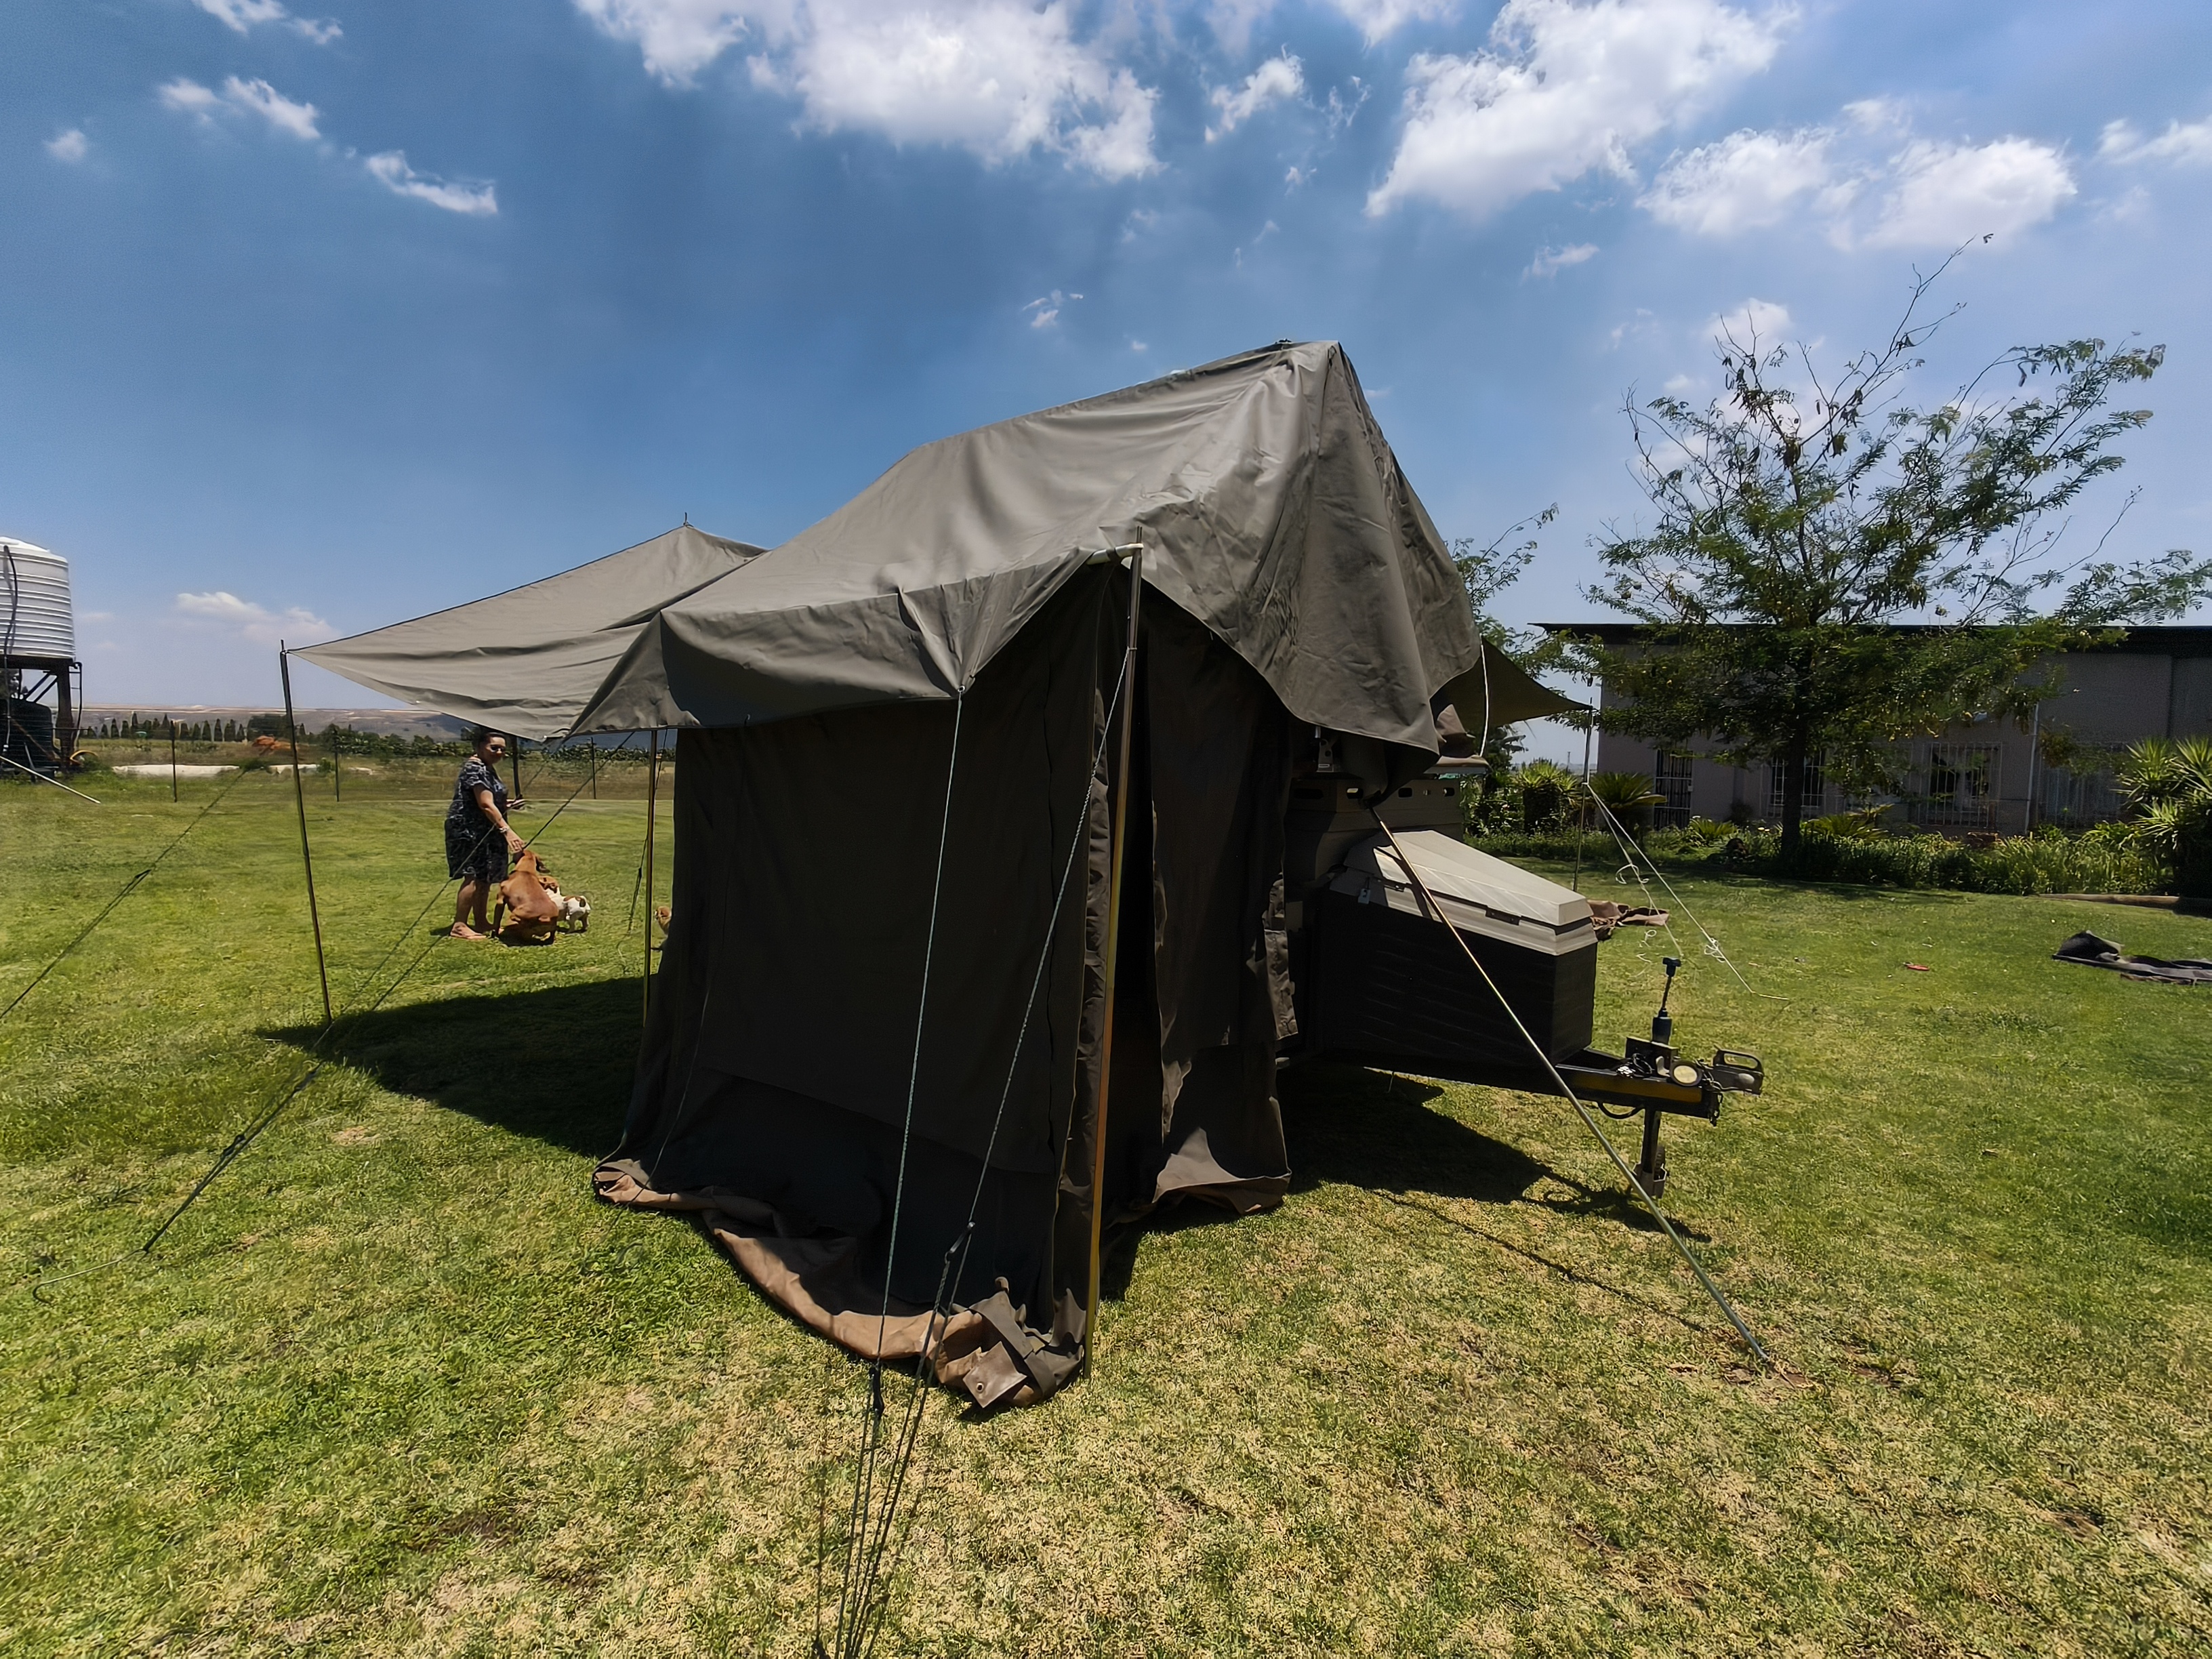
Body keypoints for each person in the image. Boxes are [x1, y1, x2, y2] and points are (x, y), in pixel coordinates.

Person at [447, 729, 526, 941]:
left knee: (485, 877)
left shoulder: (487, 768)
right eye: (494, 748)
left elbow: (490, 801)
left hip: (487, 828)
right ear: (479, 747)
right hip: (469, 830)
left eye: (503, 749)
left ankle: (481, 922)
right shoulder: (475, 768)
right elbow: (485, 804)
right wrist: (507, 831)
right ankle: (459, 926)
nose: (499, 752)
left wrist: (507, 805)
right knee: (472, 876)